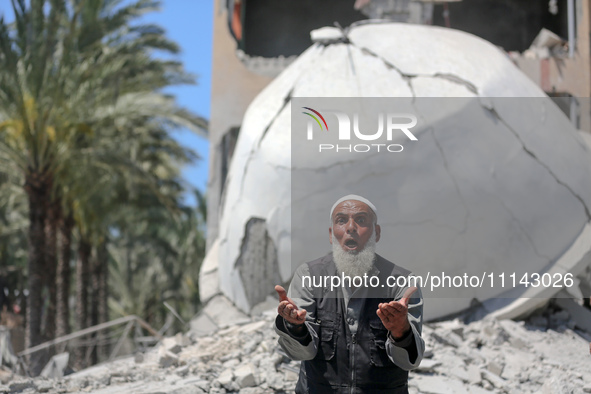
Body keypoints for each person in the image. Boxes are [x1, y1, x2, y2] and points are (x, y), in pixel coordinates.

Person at [274, 195, 424, 393]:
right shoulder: (309, 275)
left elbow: (409, 362)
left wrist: (400, 331)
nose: (351, 227)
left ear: (376, 233)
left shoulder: (402, 282)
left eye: (361, 220)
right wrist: (295, 327)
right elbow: (302, 352)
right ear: (331, 234)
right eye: (341, 220)